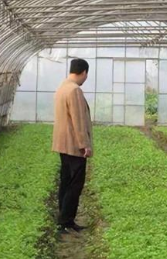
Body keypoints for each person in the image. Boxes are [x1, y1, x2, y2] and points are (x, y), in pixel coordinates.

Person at [52, 58, 93, 233]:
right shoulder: (75, 90)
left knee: (66, 181)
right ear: (84, 72)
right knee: (74, 185)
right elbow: (78, 120)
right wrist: (84, 145)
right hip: (74, 145)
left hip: (63, 144)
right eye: (86, 75)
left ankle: (64, 218)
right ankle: (66, 220)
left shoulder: (62, 87)